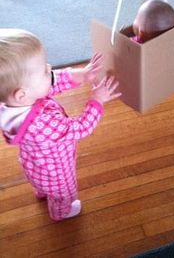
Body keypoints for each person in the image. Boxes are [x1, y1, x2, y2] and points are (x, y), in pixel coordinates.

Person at [0, 28, 121, 221]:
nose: (50, 69)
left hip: (34, 163)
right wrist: (97, 99)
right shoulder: (40, 124)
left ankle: (41, 191)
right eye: (44, 72)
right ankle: (61, 212)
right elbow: (80, 128)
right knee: (64, 193)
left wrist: (81, 75)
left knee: (42, 183)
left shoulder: (14, 103)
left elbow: (51, 83)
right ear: (21, 94)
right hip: (55, 170)